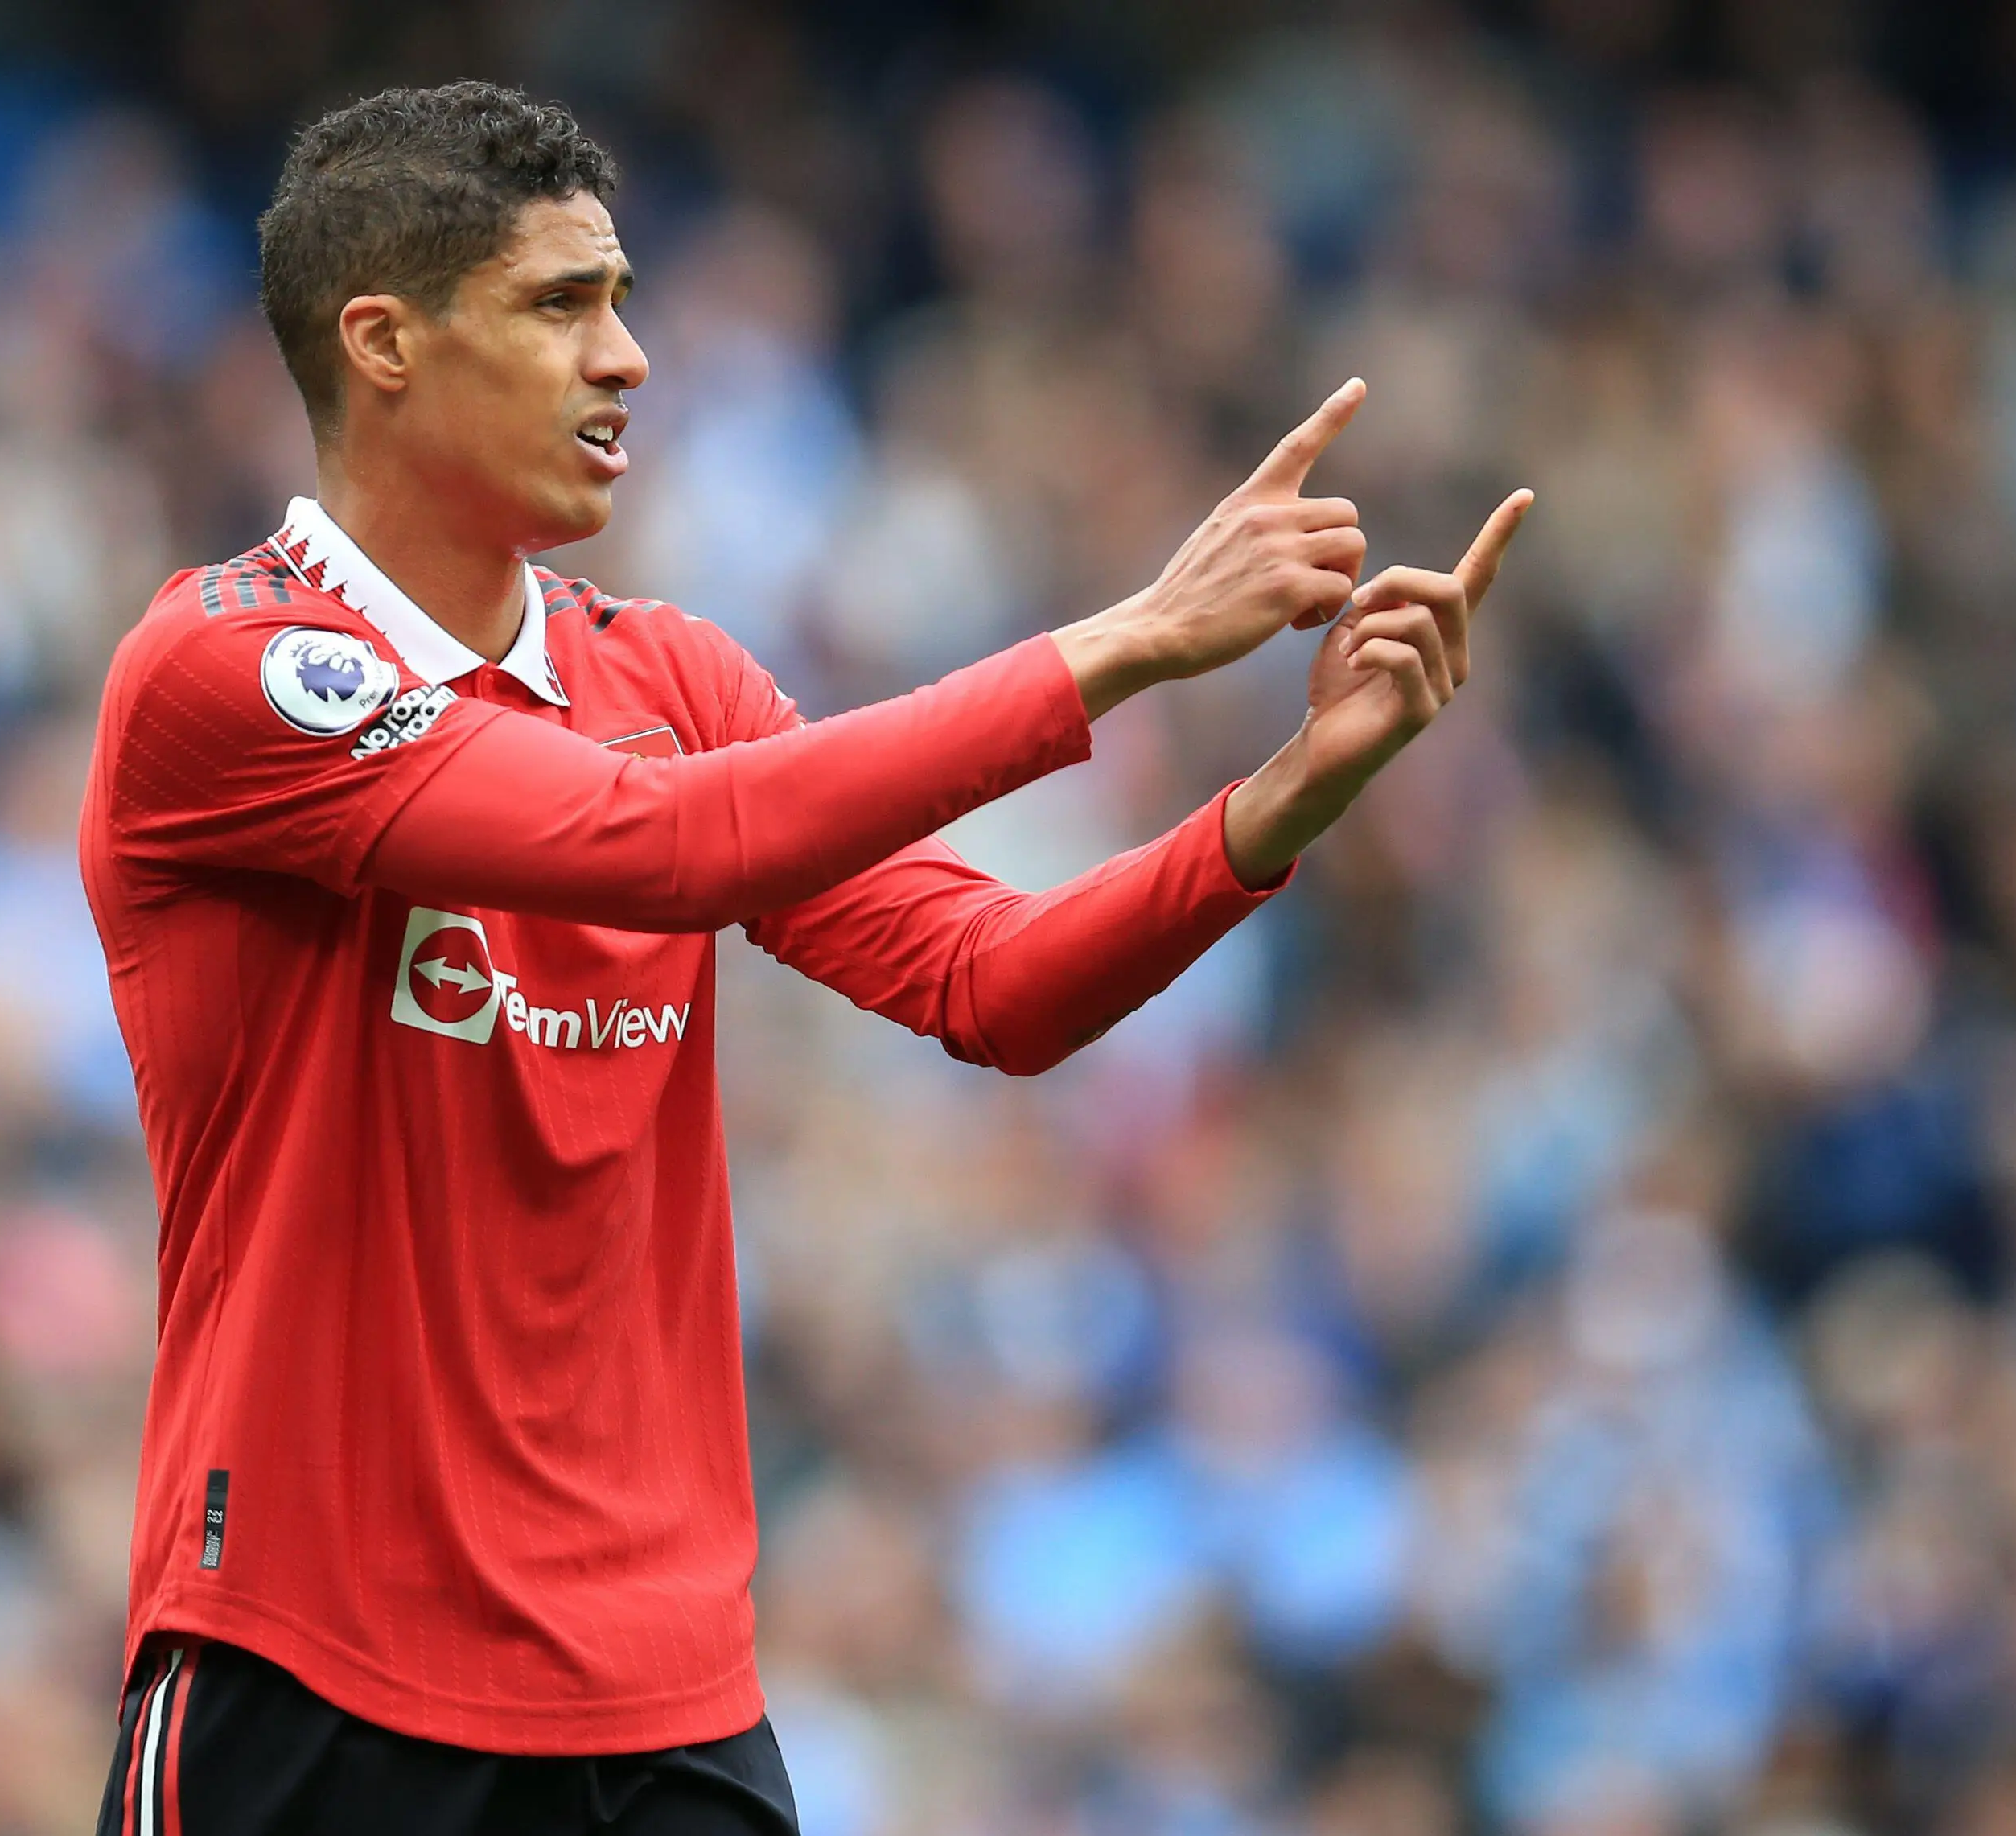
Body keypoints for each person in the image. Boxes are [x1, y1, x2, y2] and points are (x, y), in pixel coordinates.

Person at [80, 78, 1529, 1836]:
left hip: (665, 1701)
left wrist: (1283, 801)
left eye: (622, 301)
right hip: (314, 1679)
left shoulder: (672, 679)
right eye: (561, 306)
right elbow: (667, 846)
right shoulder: (224, 671)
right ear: (382, 341)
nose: (626, 358)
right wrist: (1132, 641)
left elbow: (991, 984)